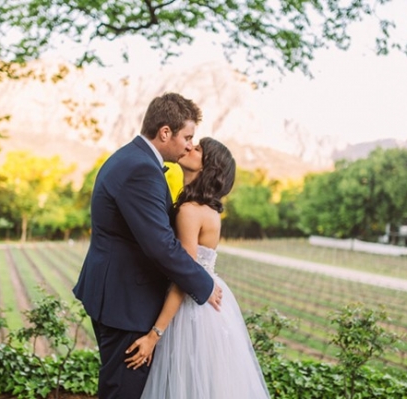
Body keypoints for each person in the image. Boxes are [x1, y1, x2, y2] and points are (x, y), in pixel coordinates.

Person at [73, 93, 223, 399]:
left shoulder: (132, 158)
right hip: (126, 302)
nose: (189, 145)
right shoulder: (141, 169)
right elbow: (160, 245)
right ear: (165, 132)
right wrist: (203, 283)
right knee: (123, 391)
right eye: (187, 137)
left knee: (118, 385)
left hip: (116, 293)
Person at [125, 137, 271, 399]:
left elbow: (185, 276)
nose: (190, 147)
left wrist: (154, 335)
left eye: (199, 148)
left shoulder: (190, 211)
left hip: (190, 310)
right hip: (209, 306)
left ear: (208, 167)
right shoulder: (206, 210)